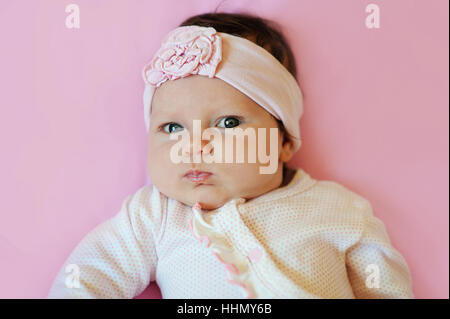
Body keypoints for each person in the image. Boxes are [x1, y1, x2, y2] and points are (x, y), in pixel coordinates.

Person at [47, 12, 413, 299]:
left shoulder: (339, 209)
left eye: (227, 122)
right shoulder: (155, 215)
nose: (193, 146)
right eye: (172, 128)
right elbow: (88, 276)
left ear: (284, 141)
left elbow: (385, 289)